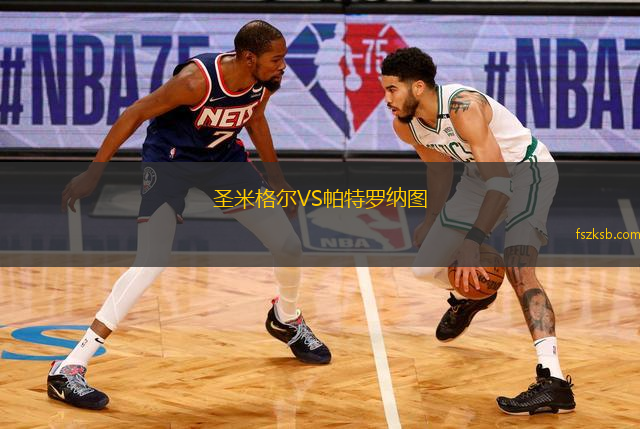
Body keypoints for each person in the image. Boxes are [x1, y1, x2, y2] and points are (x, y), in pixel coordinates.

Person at [48, 20, 331, 411]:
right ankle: (69, 367)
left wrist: (277, 180)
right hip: (171, 163)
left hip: (222, 162)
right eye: (277, 58)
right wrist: (94, 172)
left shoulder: (263, 81)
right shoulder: (195, 82)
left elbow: (254, 119)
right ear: (250, 58)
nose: (284, 65)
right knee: (151, 261)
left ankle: (286, 318)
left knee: (288, 245)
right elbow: (134, 114)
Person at [380, 47, 575, 415]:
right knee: (424, 268)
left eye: (392, 90)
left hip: (528, 172)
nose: (386, 99)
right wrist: (432, 217)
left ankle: (553, 380)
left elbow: (501, 184)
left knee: (519, 268)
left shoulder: (463, 107)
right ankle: (474, 295)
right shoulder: (406, 125)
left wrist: (473, 241)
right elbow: (439, 168)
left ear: (417, 87)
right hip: (479, 179)